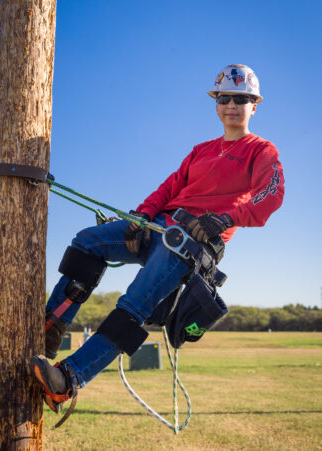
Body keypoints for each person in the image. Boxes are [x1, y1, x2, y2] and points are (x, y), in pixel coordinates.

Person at [31, 64, 285, 417]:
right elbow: (169, 188)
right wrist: (142, 217)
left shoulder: (262, 151)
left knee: (133, 306)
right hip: (159, 226)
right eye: (224, 97)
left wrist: (225, 219)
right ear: (216, 103)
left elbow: (269, 196)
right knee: (87, 242)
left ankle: (68, 379)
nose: (231, 105)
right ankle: (52, 324)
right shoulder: (201, 150)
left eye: (240, 99)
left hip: (190, 244)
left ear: (254, 105)